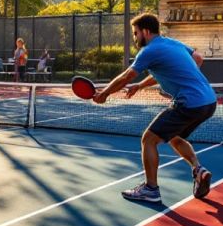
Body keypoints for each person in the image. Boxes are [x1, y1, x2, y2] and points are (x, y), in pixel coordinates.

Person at [91, 13, 216, 203]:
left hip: (189, 103)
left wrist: (104, 94)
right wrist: (141, 86)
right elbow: (198, 59)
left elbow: (126, 76)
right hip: (208, 102)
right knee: (175, 137)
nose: (134, 38)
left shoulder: (149, 51)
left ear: (146, 32)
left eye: (135, 33)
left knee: (148, 139)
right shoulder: (172, 43)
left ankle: (150, 189)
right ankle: (198, 170)